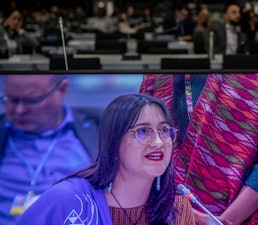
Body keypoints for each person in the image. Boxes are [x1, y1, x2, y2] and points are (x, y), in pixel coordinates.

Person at [16, 93, 196, 225]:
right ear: (113, 141)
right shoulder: (70, 200)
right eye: (143, 131)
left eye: (164, 130)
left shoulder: (175, 208)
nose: (158, 142)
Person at [140, 73, 258, 225]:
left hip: (242, 215)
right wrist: (188, 215)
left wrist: (225, 220)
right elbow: (138, 156)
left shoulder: (253, 75)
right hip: (166, 216)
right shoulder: (156, 78)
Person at [0, 75, 101, 225]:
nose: (19, 110)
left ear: (62, 90)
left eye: (32, 101)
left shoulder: (99, 127)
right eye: (11, 100)